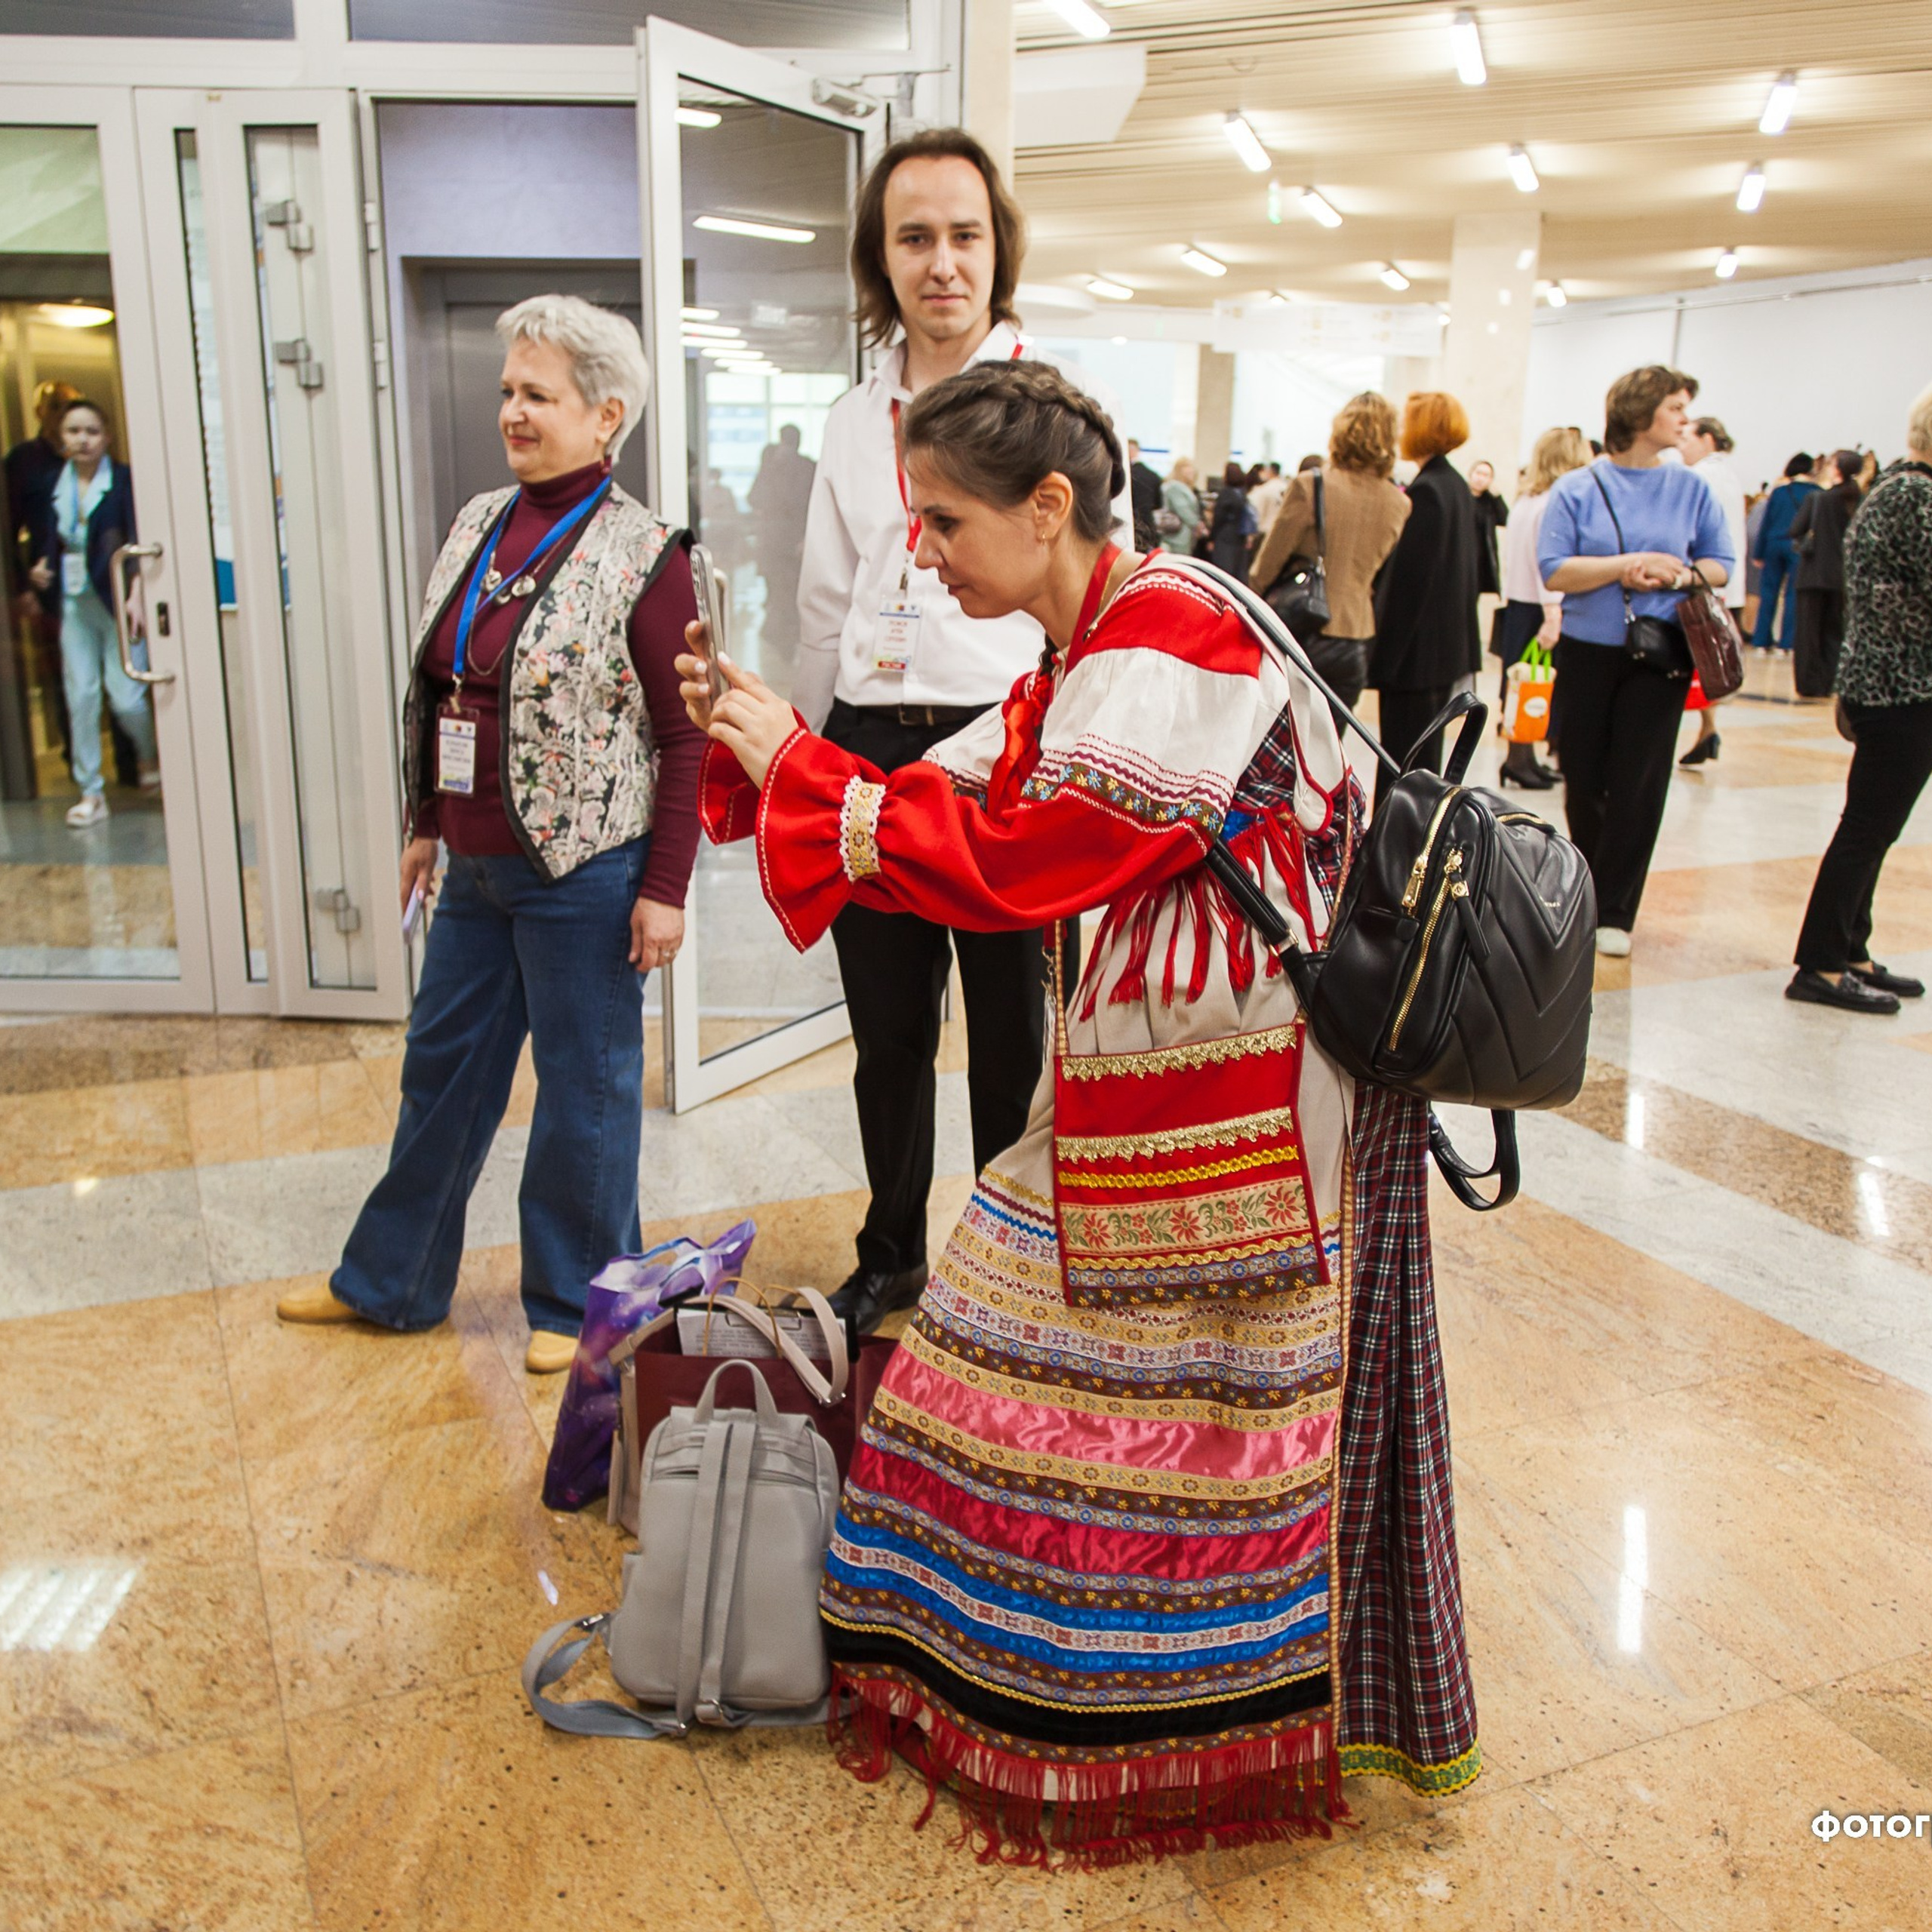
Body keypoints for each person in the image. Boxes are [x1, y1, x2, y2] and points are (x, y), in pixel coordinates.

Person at [679, 356, 1477, 1866]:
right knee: (1046, 1374)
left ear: (1047, 510)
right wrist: (758, 747)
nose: (919, 551)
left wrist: (793, 766)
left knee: (1207, 1415)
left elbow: (1027, 850)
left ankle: (1152, 1725)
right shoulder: (1084, 644)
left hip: (1245, 1098)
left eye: (942, 522)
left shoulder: (1166, 631)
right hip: (1162, 1083)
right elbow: (947, 801)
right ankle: (1022, 1680)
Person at [275, 295, 702, 1374]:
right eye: (507, 391)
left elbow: (684, 737)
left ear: (607, 416)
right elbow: (443, 681)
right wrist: (426, 818)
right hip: (477, 863)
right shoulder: (477, 519)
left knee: (585, 1089)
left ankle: (578, 1307)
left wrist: (666, 887)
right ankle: (391, 1281)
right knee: (442, 1072)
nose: (513, 412)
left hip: (587, 870)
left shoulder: (648, 555)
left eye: (538, 395)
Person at [789, 128, 1128, 1336]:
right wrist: (802, 755)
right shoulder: (845, 419)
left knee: (1014, 1042)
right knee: (886, 1035)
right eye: (914, 237)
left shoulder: (1060, 412)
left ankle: (1010, 1258)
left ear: (999, 250)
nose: (943, 262)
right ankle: (893, 1256)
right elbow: (823, 601)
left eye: (966, 235)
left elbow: (1094, 593)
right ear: (882, 261)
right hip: (872, 744)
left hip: (1011, 749)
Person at [1538, 365, 1734, 958]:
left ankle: (1617, 909)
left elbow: (1721, 562)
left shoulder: (1693, 489)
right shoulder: (1576, 488)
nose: (1684, 419)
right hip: (1589, 649)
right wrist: (1627, 565)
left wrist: (1677, 572)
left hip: (1661, 651)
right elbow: (1556, 570)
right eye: (1675, 407)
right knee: (1584, 772)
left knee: (1640, 781)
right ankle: (1588, 891)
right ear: (1640, 412)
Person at [1788, 392, 1932, 1014]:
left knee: (1874, 828)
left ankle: (1851, 948)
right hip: (1903, 688)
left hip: (1891, 684)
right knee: (1867, 828)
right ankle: (1820, 962)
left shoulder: (1898, 488)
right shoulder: (1918, 498)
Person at [26, 397, 157, 827]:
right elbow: (49, 536)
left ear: (107, 437)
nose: (82, 440)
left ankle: (150, 756)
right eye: (73, 432)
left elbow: (140, 539)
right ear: (61, 437)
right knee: (80, 694)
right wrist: (42, 566)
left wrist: (138, 589)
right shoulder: (52, 483)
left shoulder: (123, 482)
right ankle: (91, 790)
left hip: (116, 598)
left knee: (126, 697)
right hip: (74, 600)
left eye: (91, 432)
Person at [1250, 390, 1411, 711]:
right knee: (1328, 752)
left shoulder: (1310, 486)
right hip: (1356, 641)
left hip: (1301, 633)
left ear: (1342, 432)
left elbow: (1264, 568)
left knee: (1283, 747)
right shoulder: (1400, 503)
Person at [1370, 391, 1481, 795]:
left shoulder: (1429, 491)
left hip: (1417, 656)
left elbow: (1412, 586)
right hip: (1443, 649)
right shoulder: (1454, 486)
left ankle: (1398, 847)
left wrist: (1386, 656)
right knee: (1423, 762)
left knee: (1405, 763)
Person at [1495, 425, 1592, 787]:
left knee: (1520, 681)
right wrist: (1553, 613)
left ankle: (1522, 757)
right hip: (1540, 604)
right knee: (1534, 685)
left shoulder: (1526, 499)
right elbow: (1545, 562)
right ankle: (1520, 760)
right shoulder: (1552, 502)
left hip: (1521, 602)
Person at [1678, 414, 1749, 765]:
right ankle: (1708, 730)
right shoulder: (1730, 475)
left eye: (1687, 438)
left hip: (1700, 582)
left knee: (1694, 662)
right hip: (1723, 585)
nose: (1681, 446)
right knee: (1705, 660)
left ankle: (1705, 731)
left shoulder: (1702, 476)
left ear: (1707, 438)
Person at [1789, 448, 1866, 697]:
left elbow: (1795, 529)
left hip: (1814, 573)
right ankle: (1831, 682)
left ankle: (1810, 685)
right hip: (1842, 576)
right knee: (1834, 632)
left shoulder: (1818, 499)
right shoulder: (1860, 500)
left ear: (1837, 469)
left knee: (1809, 634)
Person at [749, 425, 815, 656]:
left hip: (775, 540)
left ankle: (780, 639)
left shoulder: (771, 466)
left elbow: (753, 498)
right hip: (794, 541)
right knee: (791, 592)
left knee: (779, 591)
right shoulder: (808, 466)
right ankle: (785, 639)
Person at [1750, 454, 1819, 654]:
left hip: (1773, 544)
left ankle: (1761, 641)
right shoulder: (1817, 493)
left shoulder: (1779, 492)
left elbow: (1766, 523)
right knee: (1793, 595)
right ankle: (1787, 643)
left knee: (1768, 592)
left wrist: (1759, 552)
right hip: (1799, 547)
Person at [1207, 457, 1256, 579]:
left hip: (1225, 537)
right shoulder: (1243, 494)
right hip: (1240, 536)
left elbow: (1219, 518)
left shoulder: (1225, 494)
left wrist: (1211, 538)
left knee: (1223, 573)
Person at [1469, 458, 1508, 598]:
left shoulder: (1490, 502)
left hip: (1480, 561)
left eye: (1486, 476)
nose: (1481, 479)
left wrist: (1497, 497)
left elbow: (1505, 520)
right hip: (1462, 556)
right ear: (1471, 474)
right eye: (1478, 473)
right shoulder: (1462, 497)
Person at [1159, 455, 1202, 555]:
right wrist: (1197, 523)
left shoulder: (1181, 487)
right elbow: (1183, 510)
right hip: (1178, 536)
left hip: (1182, 534)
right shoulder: (1175, 487)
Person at [1126, 436, 1162, 550]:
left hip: (1130, 526)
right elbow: (1158, 504)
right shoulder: (1153, 475)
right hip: (1148, 526)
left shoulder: (1125, 475)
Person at [1250, 457, 1287, 532]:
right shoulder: (1287, 487)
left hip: (1265, 529)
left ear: (1270, 471)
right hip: (1283, 529)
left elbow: (1258, 512)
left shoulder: (1264, 489)